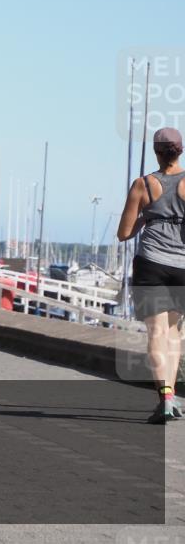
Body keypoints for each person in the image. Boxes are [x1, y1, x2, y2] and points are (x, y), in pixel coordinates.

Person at [117, 126, 185, 424]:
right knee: (174, 334)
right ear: (180, 150)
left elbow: (124, 233)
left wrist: (147, 216)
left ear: (156, 152)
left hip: (151, 264)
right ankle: (171, 399)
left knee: (156, 333)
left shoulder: (142, 185)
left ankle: (166, 399)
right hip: (182, 266)